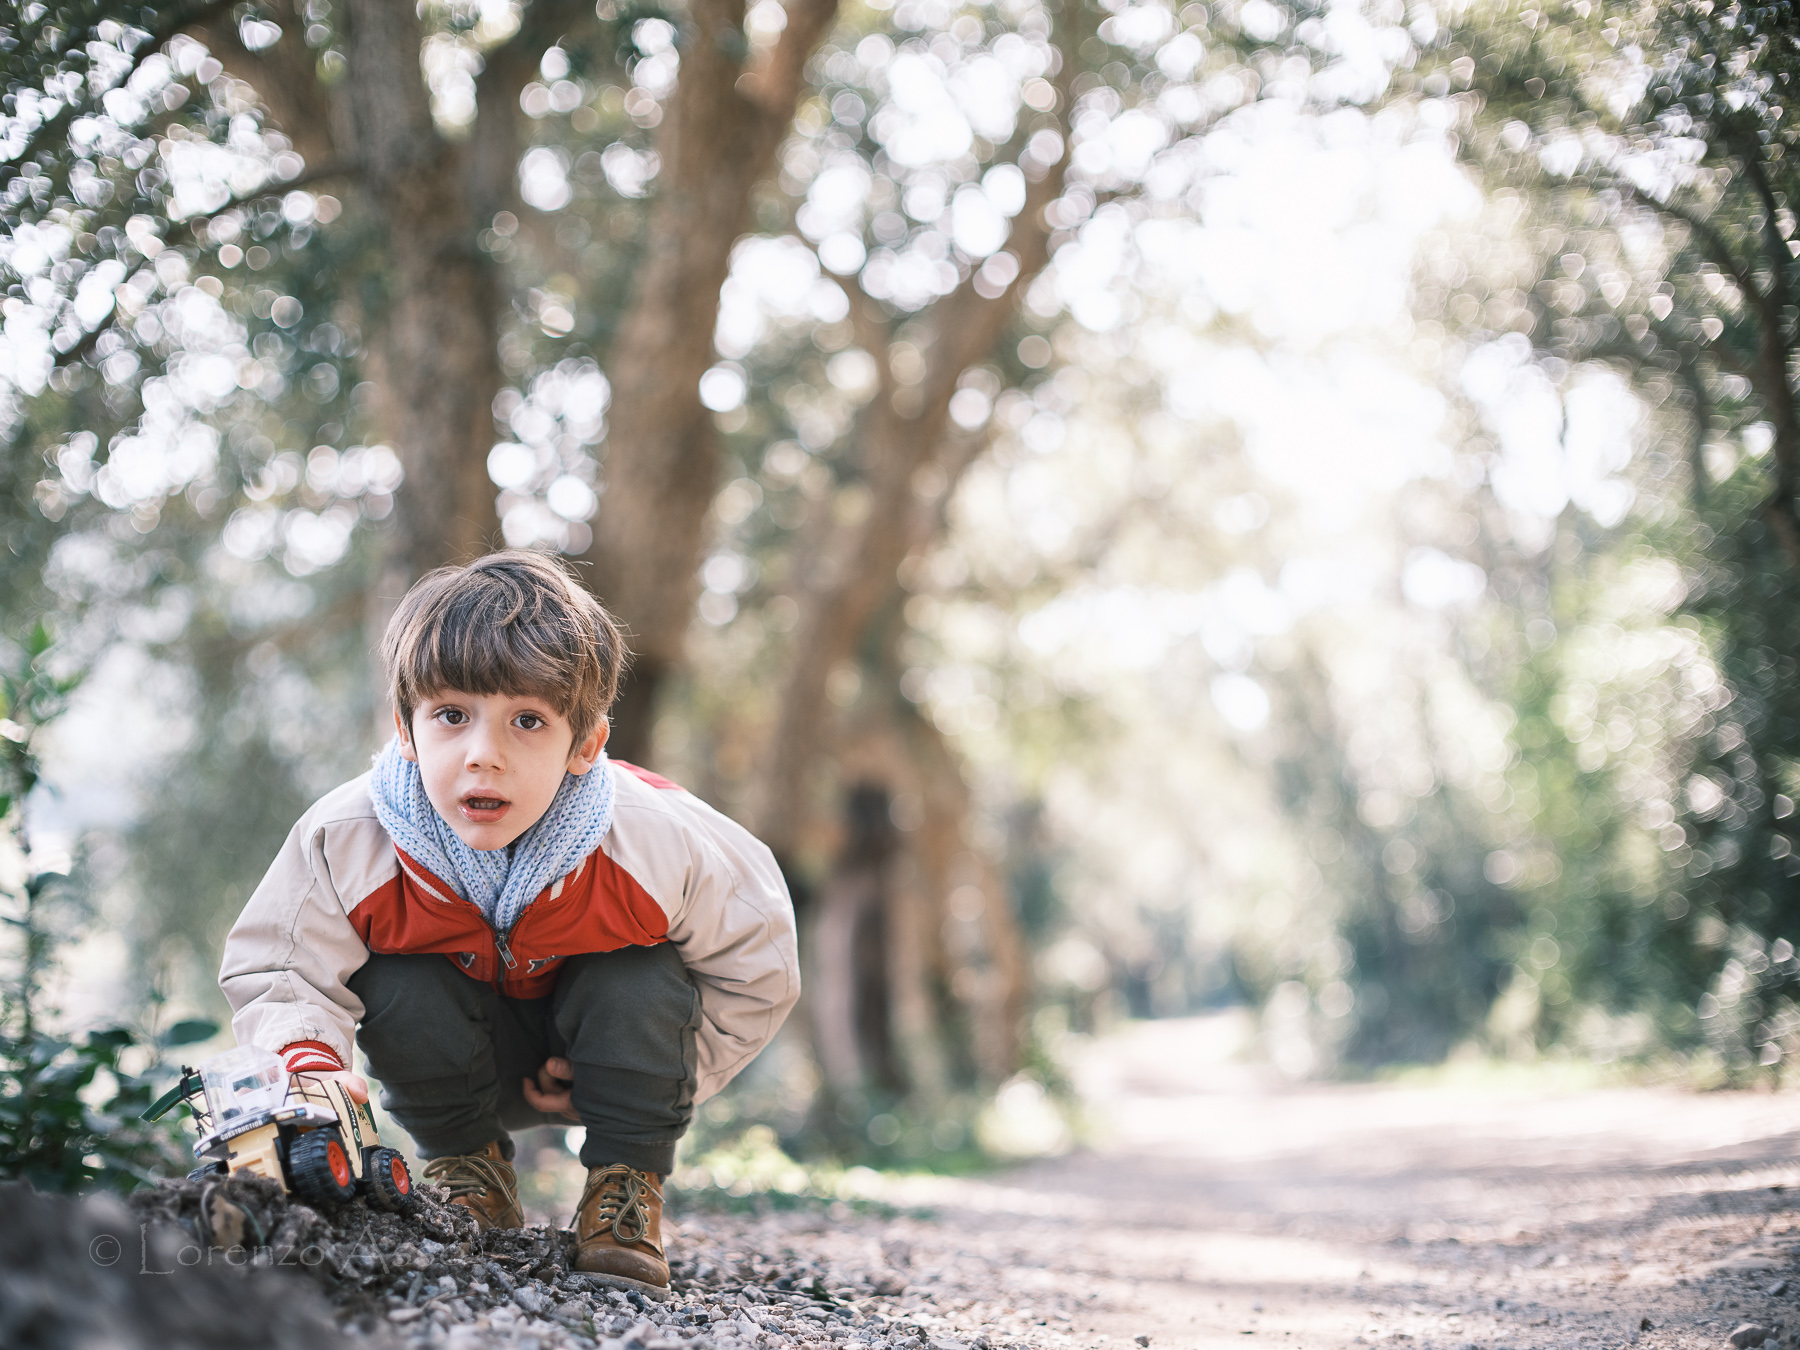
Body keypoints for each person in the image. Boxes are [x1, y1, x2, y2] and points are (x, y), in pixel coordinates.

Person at [219, 550, 799, 1291]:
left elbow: (760, 968)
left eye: (527, 721)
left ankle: (623, 1195)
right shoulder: (351, 836)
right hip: (452, 1070)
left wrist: (663, 1082)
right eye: (452, 717)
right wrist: (306, 1063)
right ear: (406, 728)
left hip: (595, 1059)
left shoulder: (655, 840)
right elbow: (280, 966)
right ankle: (471, 1180)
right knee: (397, 969)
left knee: (641, 969)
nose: (483, 756)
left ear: (585, 744)